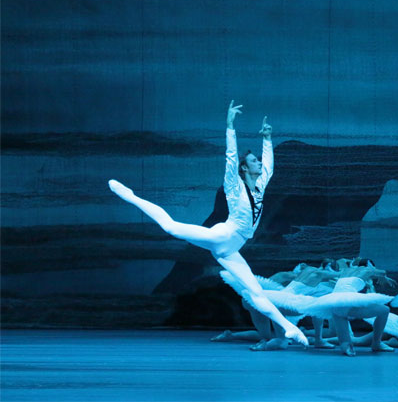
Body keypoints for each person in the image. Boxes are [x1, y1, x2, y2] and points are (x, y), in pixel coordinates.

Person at [108, 100, 308, 346]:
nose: (259, 164)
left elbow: (270, 167)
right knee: (170, 227)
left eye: (257, 161)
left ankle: (290, 329)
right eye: (254, 161)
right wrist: (230, 125)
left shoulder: (260, 185)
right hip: (222, 236)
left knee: (256, 292)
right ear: (245, 168)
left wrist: (267, 138)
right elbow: (231, 157)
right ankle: (130, 196)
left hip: (231, 249)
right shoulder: (234, 186)